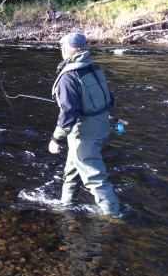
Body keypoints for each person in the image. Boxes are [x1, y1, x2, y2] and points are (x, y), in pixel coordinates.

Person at [48, 32, 121, 216]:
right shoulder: (94, 68)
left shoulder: (68, 76)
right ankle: (66, 206)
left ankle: (114, 216)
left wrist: (56, 139)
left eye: (62, 48)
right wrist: (111, 119)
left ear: (68, 50)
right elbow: (107, 101)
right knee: (72, 171)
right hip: (101, 128)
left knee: (95, 179)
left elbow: (69, 112)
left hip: (84, 135)